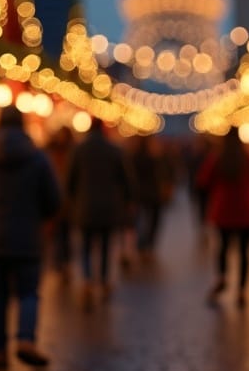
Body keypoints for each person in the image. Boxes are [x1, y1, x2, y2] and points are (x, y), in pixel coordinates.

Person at [0, 106, 61, 369]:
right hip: (27, 236)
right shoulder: (38, 157)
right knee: (28, 293)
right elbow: (53, 199)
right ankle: (26, 340)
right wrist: (40, 217)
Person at [65, 117, 134, 306]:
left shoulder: (79, 150)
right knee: (104, 246)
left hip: (84, 206)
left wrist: (72, 199)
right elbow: (125, 179)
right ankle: (103, 281)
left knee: (86, 246)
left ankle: (87, 280)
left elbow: (70, 179)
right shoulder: (114, 150)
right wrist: (127, 200)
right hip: (109, 206)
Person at [196, 125, 249, 307]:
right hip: (247, 211)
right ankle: (242, 290)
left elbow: (203, 180)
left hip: (224, 210)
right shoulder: (247, 156)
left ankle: (222, 277)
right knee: (244, 252)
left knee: (223, 247)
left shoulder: (217, 157)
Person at [129, 133, 173, 258]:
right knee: (153, 220)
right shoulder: (156, 156)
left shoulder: (135, 156)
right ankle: (148, 244)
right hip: (153, 194)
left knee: (141, 220)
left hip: (141, 194)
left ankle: (142, 244)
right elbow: (165, 173)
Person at [44, 125, 75, 279]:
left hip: (65, 201)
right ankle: (61, 263)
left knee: (63, 234)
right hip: (61, 200)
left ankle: (62, 263)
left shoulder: (63, 153)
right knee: (60, 234)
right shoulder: (58, 152)